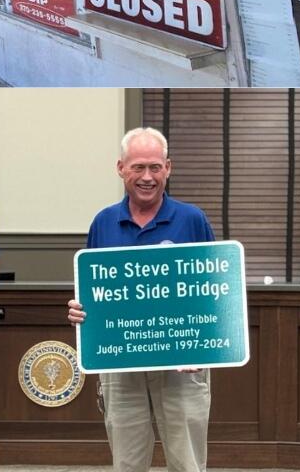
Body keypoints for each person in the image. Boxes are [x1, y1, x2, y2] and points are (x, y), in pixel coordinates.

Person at [67, 127, 215, 472]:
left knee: (188, 463)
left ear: (168, 168)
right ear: (121, 168)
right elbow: (94, 292)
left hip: (182, 362)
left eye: (154, 167)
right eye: (137, 168)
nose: (147, 177)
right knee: (127, 463)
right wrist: (80, 310)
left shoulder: (193, 220)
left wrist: (203, 345)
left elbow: (212, 290)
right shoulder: (102, 223)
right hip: (121, 366)